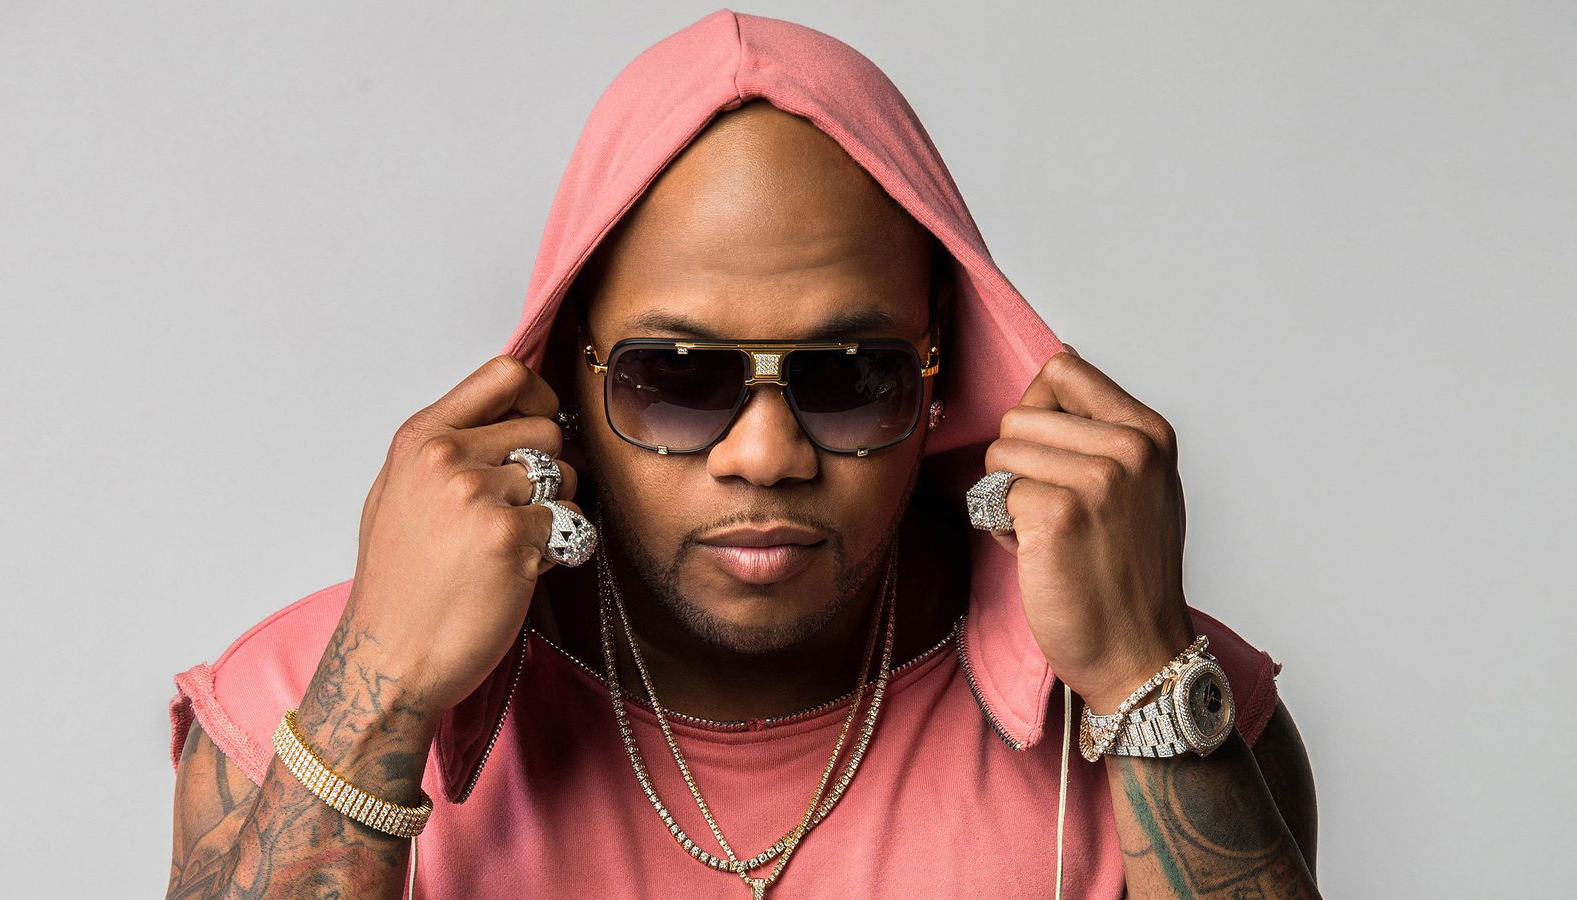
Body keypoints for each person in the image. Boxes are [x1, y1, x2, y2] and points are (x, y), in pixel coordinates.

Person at [165, 10, 1317, 899]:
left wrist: (1145, 684)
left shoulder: (1172, 699)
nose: (764, 456)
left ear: (939, 374)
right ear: (570, 373)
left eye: (848, 376)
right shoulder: (307, 696)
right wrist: (377, 698)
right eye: (677, 376)